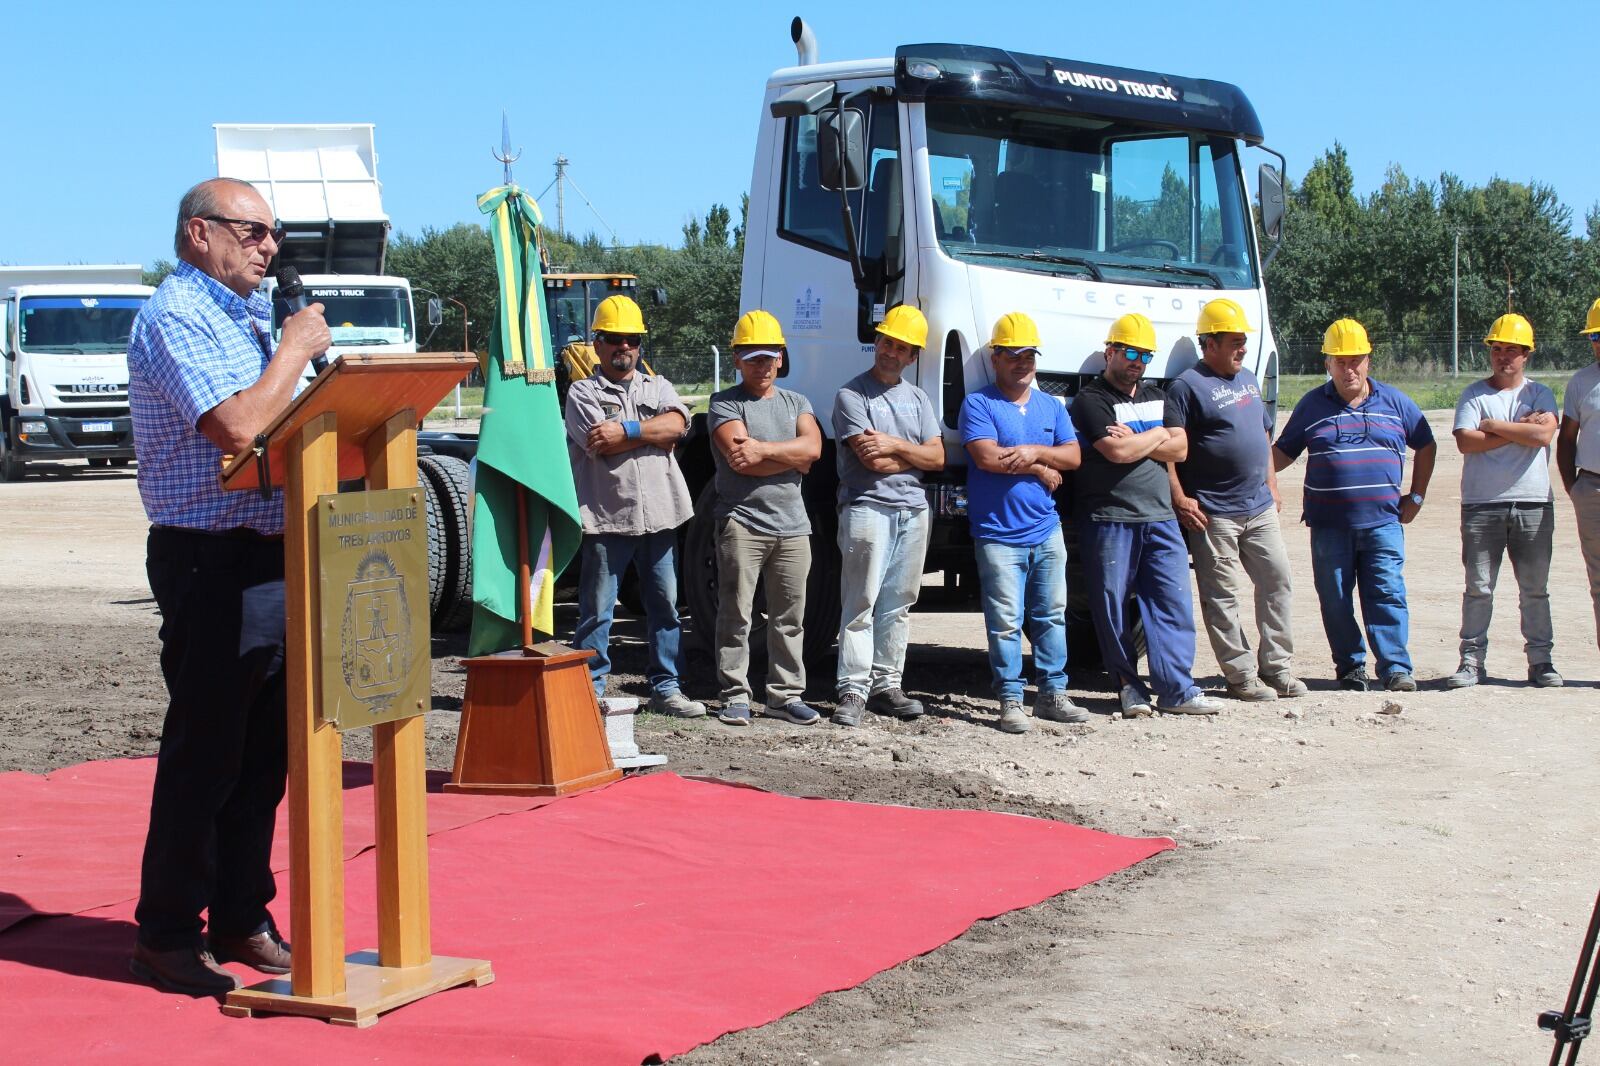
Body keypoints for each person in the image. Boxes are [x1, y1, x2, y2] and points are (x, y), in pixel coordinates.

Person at [125, 177, 331, 995]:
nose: (269, 247)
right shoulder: (177, 314)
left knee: (261, 760)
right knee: (206, 755)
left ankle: (241, 915)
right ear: (197, 235)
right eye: (252, 232)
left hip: (273, 553)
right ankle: (167, 931)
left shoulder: (244, 319)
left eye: (273, 234)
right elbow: (239, 427)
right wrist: (293, 352)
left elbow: (302, 417)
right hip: (210, 559)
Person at [1072, 312, 1223, 718]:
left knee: (1172, 604)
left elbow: (1182, 449)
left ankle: (1177, 690)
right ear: (1111, 352)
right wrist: (1160, 436)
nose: (1138, 362)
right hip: (1110, 518)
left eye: (1146, 355)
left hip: (1161, 518)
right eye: (1131, 352)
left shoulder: (1160, 394)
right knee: (1113, 607)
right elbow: (1115, 452)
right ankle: (1128, 686)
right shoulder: (1091, 400)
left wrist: (1144, 437)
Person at [1273, 319, 1436, 692]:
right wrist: (1253, 470)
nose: (1350, 369)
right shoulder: (1312, 405)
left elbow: (1426, 444)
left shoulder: (1396, 402)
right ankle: (1350, 667)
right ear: (1327, 364)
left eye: (1356, 360)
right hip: (1329, 525)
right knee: (1335, 599)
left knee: (1387, 593)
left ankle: (1395, 667)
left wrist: (1417, 496)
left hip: (1383, 523)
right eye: (1341, 361)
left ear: (1368, 361)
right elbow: (1283, 452)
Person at [565, 295, 705, 716]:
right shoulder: (581, 392)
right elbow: (598, 440)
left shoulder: (657, 386)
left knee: (665, 607)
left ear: (639, 344)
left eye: (631, 339)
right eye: (613, 338)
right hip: (607, 517)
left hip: (660, 515)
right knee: (597, 612)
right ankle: (591, 692)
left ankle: (667, 688)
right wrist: (651, 431)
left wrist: (628, 428)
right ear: (598, 343)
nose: (623, 346)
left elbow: (678, 426)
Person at [1167, 299, 1306, 702]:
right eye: (1234, 342)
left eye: (1244, 341)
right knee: (1222, 595)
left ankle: (1277, 669)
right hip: (1214, 513)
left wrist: (1273, 485)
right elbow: (1171, 449)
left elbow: (1263, 435)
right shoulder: (1186, 387)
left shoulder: (1246, 377)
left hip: (1259, 506)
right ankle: (1240, 675)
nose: (1242, 349)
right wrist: (1179, 496)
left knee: (1277, 581)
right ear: (1209, 344)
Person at [959, 312, 1087, 734]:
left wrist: (1034, 452)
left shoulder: (1052, 406)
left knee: (1051, 615)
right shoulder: (979, 403)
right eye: (1013, 355)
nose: (1022, 363)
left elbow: (1073, 457)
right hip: (998, 534)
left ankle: (1052, 694)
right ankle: (1010, 699)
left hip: (1046, 531)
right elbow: (986, 457)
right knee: (1006, 621)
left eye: (1028, 355)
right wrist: (1037, 467)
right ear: (995, 358)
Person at [707, 310, 823, 726]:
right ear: (737, 358)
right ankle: (734, 694)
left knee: (791, 618)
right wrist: (790, 458)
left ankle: (784, 696)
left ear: (781, 357)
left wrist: (766, 450)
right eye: (754, 357)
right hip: (742, 523)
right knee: (736, 613)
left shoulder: (798, 402)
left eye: (770, 356)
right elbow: (740, 461)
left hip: (793, 527)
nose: (763, 365)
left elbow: (814, 450)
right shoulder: (724, 403)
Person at [830, 305, 944, 726]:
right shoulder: (851, 395)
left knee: (898, 603)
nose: (891, 352)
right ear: (876, 342)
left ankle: (886, 686)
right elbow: (870, 459)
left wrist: (896, 447)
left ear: (913, 357)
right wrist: (914, 457)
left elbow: (938, 456)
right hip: (867, 507)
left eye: (902, 348)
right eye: (887, 342)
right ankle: (853, 691)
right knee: (860, 600)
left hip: (914, 511)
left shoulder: (918, 398)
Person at [1447, 314, 1561, 688]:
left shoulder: (1540, 393)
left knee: (1534, 589)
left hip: (1532, 503)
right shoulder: (1474, 394)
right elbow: (1466, 442)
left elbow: (1544, 437)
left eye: (1512, 350)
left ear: (1526, 354)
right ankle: (1471, 662)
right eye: (1497, 349)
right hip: (1482, 504)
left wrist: (1493, 426)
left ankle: (1541, 662)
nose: (1503, 357)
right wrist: (1521, 430)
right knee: (1479, 587)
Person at [1556, 297, 1600, 654]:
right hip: (1593, 488)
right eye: (1593, 337)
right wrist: (1577, 488)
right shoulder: (1582, 382)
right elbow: (1566, 440)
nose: (1598, 343)